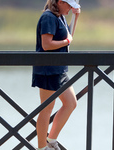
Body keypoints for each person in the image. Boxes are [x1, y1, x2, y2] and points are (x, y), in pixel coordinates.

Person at [32, 0, 81, 150]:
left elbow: (68, 39)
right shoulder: (48, 17)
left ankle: (51, 141)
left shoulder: (60, 16)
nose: (71, 8)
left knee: (71, 103)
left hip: (59, 69)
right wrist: (66, 41)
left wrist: (75, 17)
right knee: (46, 108)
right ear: (60, 2)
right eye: (70, 5)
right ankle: (42, 148)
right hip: (48, 70)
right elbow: (47, 45)